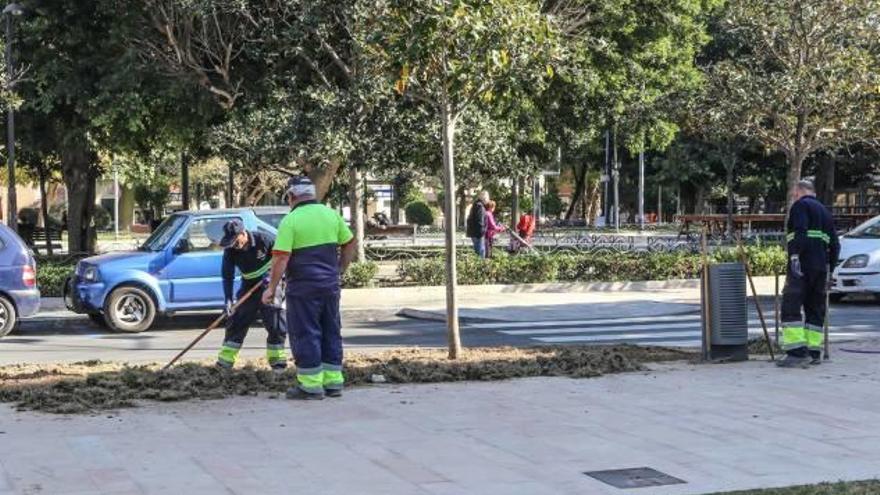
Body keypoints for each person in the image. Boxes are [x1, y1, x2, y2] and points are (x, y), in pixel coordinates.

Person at [263, 176, 358, 400]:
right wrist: (340, 270)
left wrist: (271, 288)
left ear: (292, 196)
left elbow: (280, 259)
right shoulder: (331, 215)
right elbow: (349, 243)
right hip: (330, 286)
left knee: (306, 333)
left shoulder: (291, 220)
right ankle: (333, 383)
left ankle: (311, 385)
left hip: (303, 289)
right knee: (331, 331)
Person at [778, 180, 840, 368]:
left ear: (800, 191)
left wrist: (795, 256)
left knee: (791, 305)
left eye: (794, 194)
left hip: (802, 265)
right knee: (815, 308)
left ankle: (796, 353)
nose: (793, 197)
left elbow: (800, 232)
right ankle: (813, 352)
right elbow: (835, 245)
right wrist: (831, 269)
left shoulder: (800, 206)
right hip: (820, 267)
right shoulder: (825, 212)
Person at [216, 219, 288, 371]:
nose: (233, 245)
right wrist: (228, 299)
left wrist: (273, 276)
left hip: (271, 285)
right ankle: (225, 362)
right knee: (236, 320)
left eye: (235, 241)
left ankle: (278, 362)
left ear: (243, 234)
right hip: (249, 286)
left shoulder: (264, 240)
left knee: (275, 321)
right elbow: (227, 275)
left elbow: (283, 259)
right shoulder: (230, 250)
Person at [466, 191, 490, 258]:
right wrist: (482, 232)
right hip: (478, 234)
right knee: (481, 253)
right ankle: (481, 267)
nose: (488, 200)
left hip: (475, 233)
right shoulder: (480, 207)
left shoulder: (476, 205)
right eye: (488, 198)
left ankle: (479, 266)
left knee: (478, 252)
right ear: (484, 198)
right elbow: (480, 221)